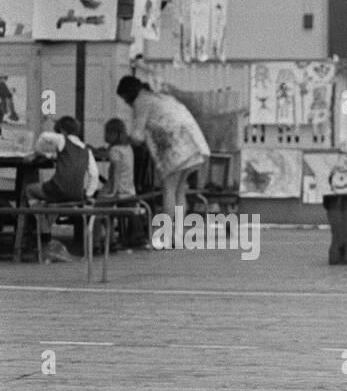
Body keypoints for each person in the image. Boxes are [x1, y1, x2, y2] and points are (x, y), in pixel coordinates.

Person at [115, 76, 209, 248]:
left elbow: (137, 136)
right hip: (194, 143)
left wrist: (122, 139)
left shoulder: (141, 101)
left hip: (176, 147)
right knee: (180, 191)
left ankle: (164, 238)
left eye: (123, 98)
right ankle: (179, 237)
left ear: (128, 94)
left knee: (169, 190)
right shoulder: (160, 96)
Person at [20, 116, 97, 262]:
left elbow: (44, 136)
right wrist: (88, 194)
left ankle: (43, 233)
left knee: (29, 190)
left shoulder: (62, 140)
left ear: (62, 130)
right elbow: (94, 175)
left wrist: (36, 153)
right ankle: (46, 231)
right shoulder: (87, 150)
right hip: (76, 195)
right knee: (51, 204)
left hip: (57, 189)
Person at [97, 118, 136, 199]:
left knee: (99, 201)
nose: (105, 135)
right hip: (129, 189)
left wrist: (113, 191)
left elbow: (116, 171)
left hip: (118, 189)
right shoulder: (127, 147)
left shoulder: (115, 150)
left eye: (107, 132)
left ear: (114, 134)